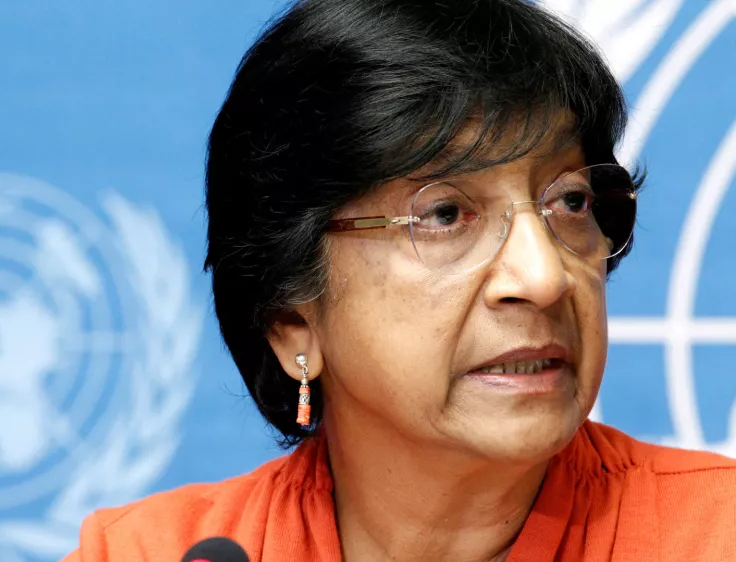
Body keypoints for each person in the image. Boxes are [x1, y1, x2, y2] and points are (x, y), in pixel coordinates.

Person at [63, 1, 736, 560]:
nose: (543, 276)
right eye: (444, 215)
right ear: (293, 321)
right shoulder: (151, 553)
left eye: (570, 202)